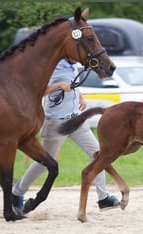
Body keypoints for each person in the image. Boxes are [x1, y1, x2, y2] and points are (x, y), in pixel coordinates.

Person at [12, 58, 120, 215]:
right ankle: (17, 192)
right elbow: (37, 91)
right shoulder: (51, 65)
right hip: (56, 123)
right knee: (43, 163)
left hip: (76, 119)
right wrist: (58, 86)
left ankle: (103, 198)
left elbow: (72, 84)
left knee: (98, 154)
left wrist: (80, 96)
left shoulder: (72, 65)